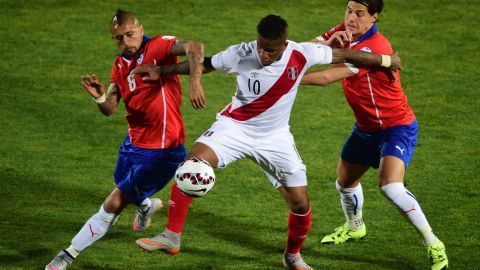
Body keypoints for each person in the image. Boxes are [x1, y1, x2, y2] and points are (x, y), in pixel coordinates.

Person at [131, 14, 400, 270]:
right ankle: (171, 236)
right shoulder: (242, 52)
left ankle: (292, 256)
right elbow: (208, 62)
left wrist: (386, 61)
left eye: (271, 50)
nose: (263, 54)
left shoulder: (303, 52)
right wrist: (163, 70)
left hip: (276, 138)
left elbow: (344, 54)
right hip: (234, 128)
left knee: (300, 204)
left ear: (284, 44)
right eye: (261, 47)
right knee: (191, 167)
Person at [45, 9, 206, 270]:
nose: (125, 41)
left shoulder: (159, 46)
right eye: (118, 38)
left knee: (115, 202)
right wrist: (99, 97)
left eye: (130, 34)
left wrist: (194, 82)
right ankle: (146, 207)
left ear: (140, 29)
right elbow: (110, 107)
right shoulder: (120, 64)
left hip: (163, 151)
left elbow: (195, 47)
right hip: (133, 143)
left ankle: (66, 256)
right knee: (122, 184)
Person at [301, 1, 448, 269]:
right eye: (348, 10)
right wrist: (307, 51)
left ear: (374, 17)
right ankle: (355, 227)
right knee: (344, 183)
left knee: (390, 186)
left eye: (359, 14)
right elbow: (308, 48)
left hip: (396, 126)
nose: (351, 18)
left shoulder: (374, 48)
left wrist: (286, 75)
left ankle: (433, 242)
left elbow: (325, 78)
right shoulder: (345, 29)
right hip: (366, 128)